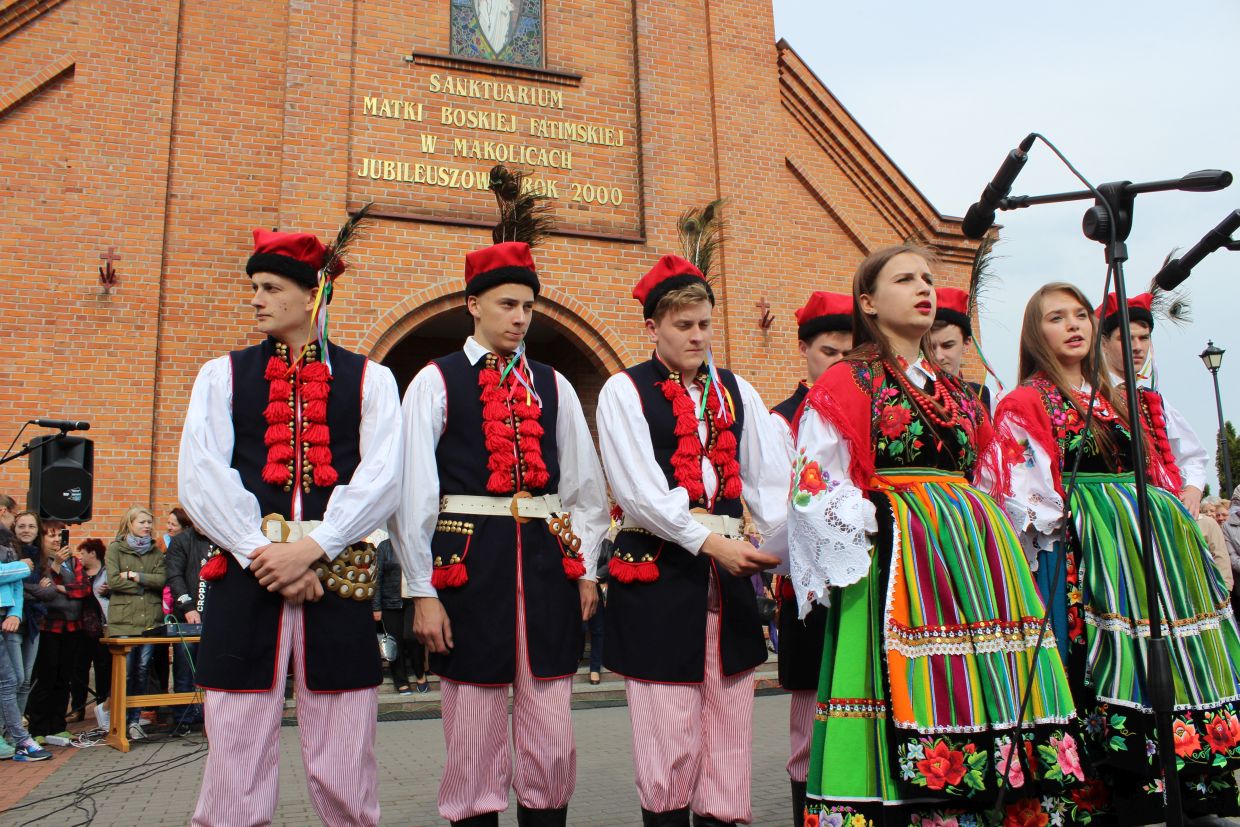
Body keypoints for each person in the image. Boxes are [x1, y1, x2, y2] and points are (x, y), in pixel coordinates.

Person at [789, 246, 1081, 827]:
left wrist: (1000, 528)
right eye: (904, 279)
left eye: (927, 278)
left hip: (975, 561)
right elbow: (813, 486)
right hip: (899, 562)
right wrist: (884, 516)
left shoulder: (956, 392)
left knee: (987, 688)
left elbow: (993, 475)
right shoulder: (850, 381)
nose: (923, 287)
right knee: (899, 687)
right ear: (868, 302)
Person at [392, 167, 608, 827]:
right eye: (508, 304)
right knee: (473, 733)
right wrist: (420, 590)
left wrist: (586, 568)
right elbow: (413, 494)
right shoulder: (434, 381)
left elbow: (586, 490)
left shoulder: (554, 384)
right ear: (473, 304)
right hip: (467, 568)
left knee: (551, 735)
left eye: (528, 307)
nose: (520, 317)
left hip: (547, 569)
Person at [978, 282, 1240, 824]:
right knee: (1096, 663)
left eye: (1080, 314)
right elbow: (1019, 490)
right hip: (1087, 551)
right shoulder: (1027, 401)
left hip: (1151, 551)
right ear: (1034, 332)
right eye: (1056, 317)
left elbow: (1164, 467)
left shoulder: (1118, 398)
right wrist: (1086, 516)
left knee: (1163, 661)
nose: (1073, 325)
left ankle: (1179, 787)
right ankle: (1108, 792)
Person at [179, 211, 401, 827]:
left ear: (313, 294)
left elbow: (383, 477)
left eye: (271, 288)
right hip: (248, 573)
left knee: (345, 755)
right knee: (236, 754)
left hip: (336, 577)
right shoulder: (221, 375)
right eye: (254, 287)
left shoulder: (371, 379)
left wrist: (314, 547)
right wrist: (264, 552)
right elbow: (201, 477)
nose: (256, 299)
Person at [597, 240, 787, 827]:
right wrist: (711, 544)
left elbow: (770, 487)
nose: (698, 336)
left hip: (728, 584)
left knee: (730, 734)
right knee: (666, 734)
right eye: (684, 325)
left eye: (705, 323)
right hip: (659, 576)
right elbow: (639, 494)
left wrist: (782, 552)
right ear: (652, 327)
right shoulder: (623, 391)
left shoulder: (738, 391)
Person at [768, 290, 853, 825]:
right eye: (828, 353)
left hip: (867, 582)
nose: (839, 365)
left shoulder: (870, 410)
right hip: (808, 585)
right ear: (803, 349)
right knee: (808, 713)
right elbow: (781, 511)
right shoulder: (782, 420)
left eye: (848, 355)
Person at [1097, 291, 1208, 517]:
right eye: (1126, 338)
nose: (1137, 347)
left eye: (1144, 338)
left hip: (1161, 516)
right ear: (1104, 343)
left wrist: (1193, 489)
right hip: (1114, 515)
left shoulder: (1154, 401)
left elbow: (1192, 456)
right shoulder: (1089, 398)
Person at [105, 506, 165, 741]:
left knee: (142, 670)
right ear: (130, 524)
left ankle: (134, 721)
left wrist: (134, 576)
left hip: (149, 620)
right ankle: (119, 719)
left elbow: (161, 580)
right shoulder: (115, 549)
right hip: (124, 620)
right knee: (126, 672)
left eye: (149, 522)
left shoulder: (155, 552)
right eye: (142, 522)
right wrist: (142, 587)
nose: (147, 526)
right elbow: (113, 581)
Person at [27, 520, 89, 741]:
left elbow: (84, 589)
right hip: (48, 626)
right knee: (45, 677)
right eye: (51, 535)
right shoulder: (39, 561)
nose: (56, 540)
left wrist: (62, 588)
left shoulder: (73, 561)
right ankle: (37, 728)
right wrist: (56, 569)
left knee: (64, 677)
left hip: (72, 626)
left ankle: (57, 725)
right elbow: (43, 590)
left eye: (59, 535)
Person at [0, 524, 48, 761]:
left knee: (15, 680)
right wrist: (21, 567)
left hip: (6, 617)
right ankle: (19, 739)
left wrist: (15, 613)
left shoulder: (7, 546)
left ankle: (17, 738)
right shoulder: (17, 559)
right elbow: (13, 574)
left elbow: (17, 586)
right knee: (10, 681)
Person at [164, 509, 210, 732]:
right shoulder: (181, 541)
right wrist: (188, 607)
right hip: (187, 616)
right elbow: (174, 575)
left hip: (213, 615)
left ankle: (208, 715)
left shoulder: (219, 539)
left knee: (210, 669)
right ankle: (183, 717)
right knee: (184, 667)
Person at [371, 537, 426, 695]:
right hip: (390, 603)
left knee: (413, 637)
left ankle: (420, 674)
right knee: (395, 643)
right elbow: (377, 578)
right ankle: (401, 681)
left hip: (414, 601)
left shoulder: (419, 543)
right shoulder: (385, 547)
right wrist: (376, 607)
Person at [927, 285, 992, 410]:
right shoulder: (911, 394)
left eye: (948, 345)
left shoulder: (983, 396)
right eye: (930, 347)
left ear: (966, 343)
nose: (938, 356)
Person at [74, 538, 111, 730]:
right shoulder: (78, 573)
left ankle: (102, 706)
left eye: (82, 553)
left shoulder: (107, 572)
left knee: (103, 667)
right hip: (81, 626)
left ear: (93, 553)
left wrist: (111, 591)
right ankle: (77, 707)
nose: (79, 557)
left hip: (102, 626)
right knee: (79, 668)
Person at [11, 510, 42, 715]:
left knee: (26, 681)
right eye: (21, 526)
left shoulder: (41, 556)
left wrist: (36, 590)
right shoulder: (10, 553)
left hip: (33, 622)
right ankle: (5, 727)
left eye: (31, 526)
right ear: (14, 529)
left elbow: (50, 592)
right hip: (12, 621)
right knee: (15, 679)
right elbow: (16, 588)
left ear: (38, 530)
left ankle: (15, 728)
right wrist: (38, 590)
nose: (26, 530)